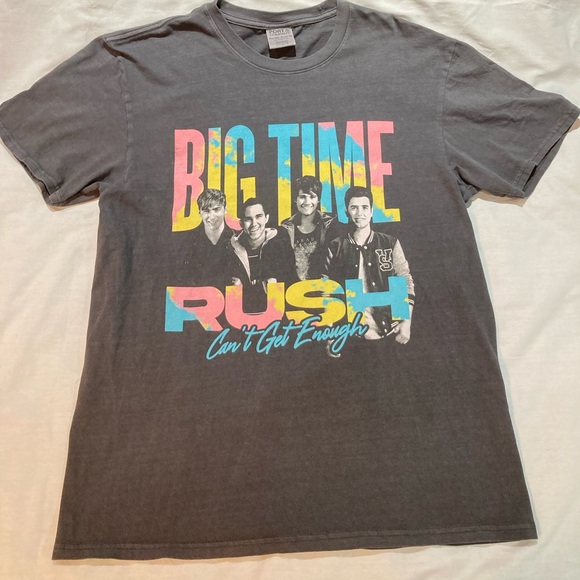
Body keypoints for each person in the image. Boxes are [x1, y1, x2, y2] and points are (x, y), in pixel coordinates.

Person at [325, 186, 415, 345]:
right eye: (354, 207)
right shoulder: (335, 246)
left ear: (372, 211)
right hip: (349, 334)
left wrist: (406, 323)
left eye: (365, 207)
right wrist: (329, 333)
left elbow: (404, 281)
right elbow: (327, 291)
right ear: (346, 211)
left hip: (388, 332)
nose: (359, 213)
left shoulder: (390, 243)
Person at [228, 198, 296, 312]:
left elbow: (290, 285)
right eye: (248, 219)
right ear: (241, 223)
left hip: (277, 313)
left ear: (266, 218)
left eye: (258, 216)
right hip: (243, 314)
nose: (254, 224)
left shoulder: (281, 245)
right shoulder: (231, 249)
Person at [281, 175, 342, 280]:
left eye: (312, 197)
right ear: (295, 199)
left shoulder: (331, 226)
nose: (307, 202)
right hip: (294, 288)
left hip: (323, 286)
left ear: (318, 199)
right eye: (302, 197)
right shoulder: (285, 228)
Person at [186, 188, 238, 288]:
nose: (211, 216)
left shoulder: (238, 238)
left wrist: (241, 286)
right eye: (206, 210)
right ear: (199, 212)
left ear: (225, 209)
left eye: (216, 209)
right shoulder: (189, 241)